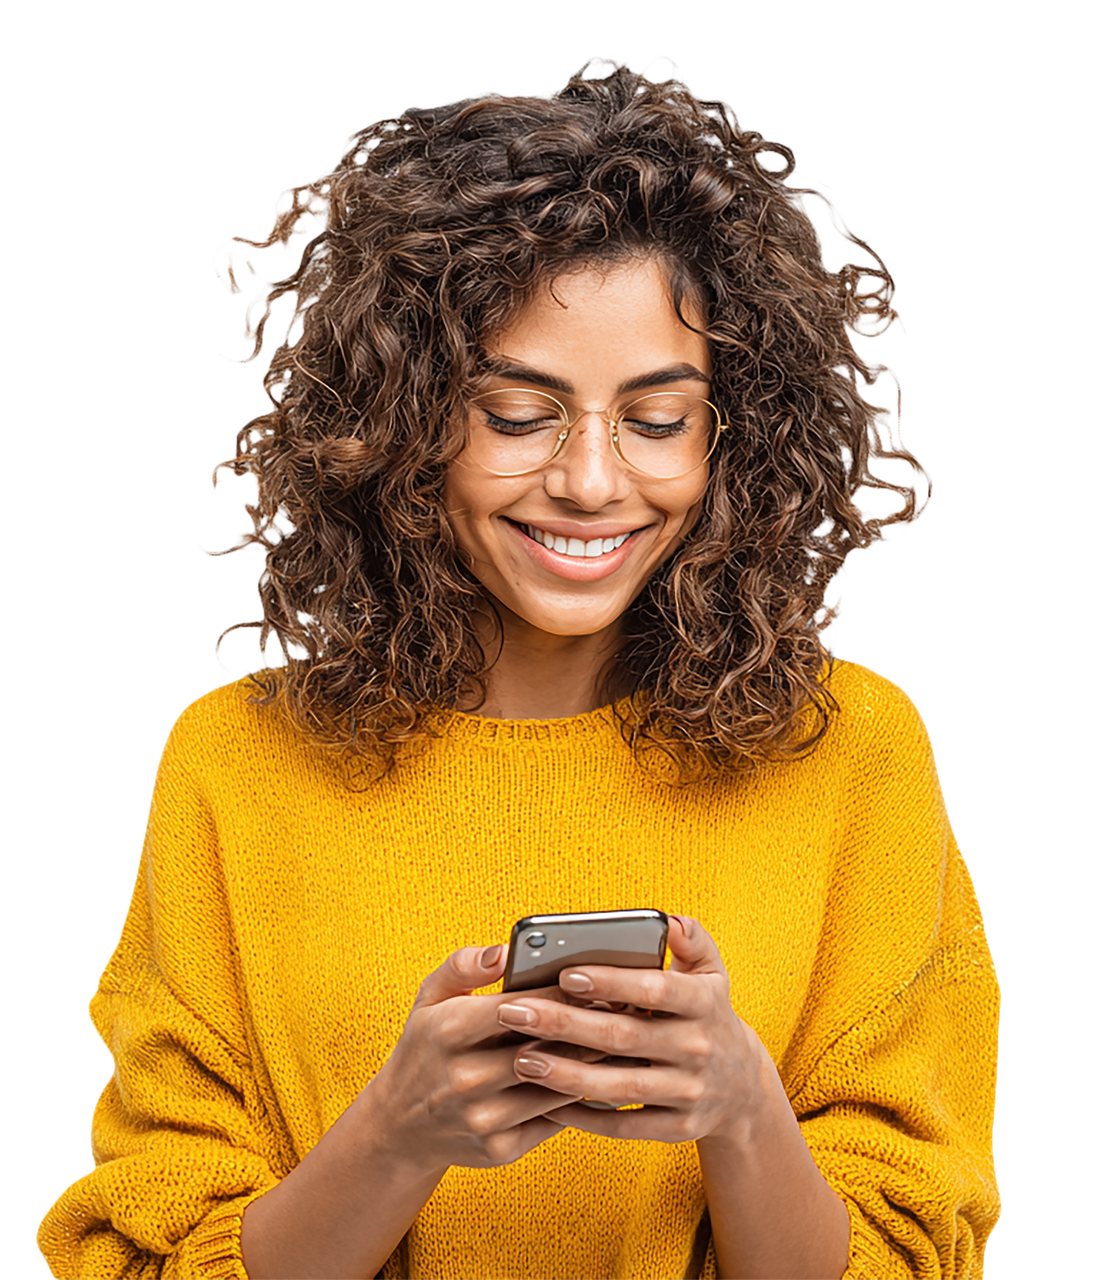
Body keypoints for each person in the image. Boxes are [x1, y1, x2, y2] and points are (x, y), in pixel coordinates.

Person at [36, 55, 1000, 1280]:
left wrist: (743, 1108)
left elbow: (912, 1248)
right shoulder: (233, 763)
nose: (593, 482)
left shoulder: (854, 751)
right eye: (516, 412)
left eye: (655, 419)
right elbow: (146, 1253)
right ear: (404, 419)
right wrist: (397, 1133)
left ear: (734, 430)